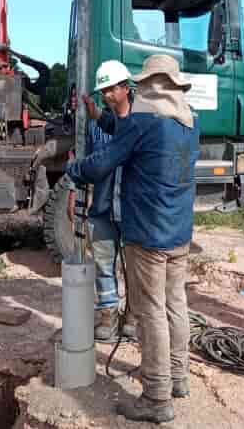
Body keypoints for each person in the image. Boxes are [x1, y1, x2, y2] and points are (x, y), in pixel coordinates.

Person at [65, 54, 200, 424]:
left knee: (150, 312)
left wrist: (74, 171)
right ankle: (178, 378)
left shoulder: (143, 123)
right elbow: (129, 138)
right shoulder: (189, 123)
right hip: (179, 233)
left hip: (148, 234)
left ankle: (156, 398)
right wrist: (101, 118)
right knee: (176, 304)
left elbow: (105, 160)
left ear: (148, 86)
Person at [66, 60, 137, 341]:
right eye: (103, 90)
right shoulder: (97, 125)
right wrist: (74, 190)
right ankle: (108, 315)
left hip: (132, 209)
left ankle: (132, 316)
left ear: (126, 88)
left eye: (110, 89)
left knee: (133, 267)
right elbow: (83, 158)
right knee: (103, 265)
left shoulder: (140, 123)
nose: (106, 95)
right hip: (104, 206)